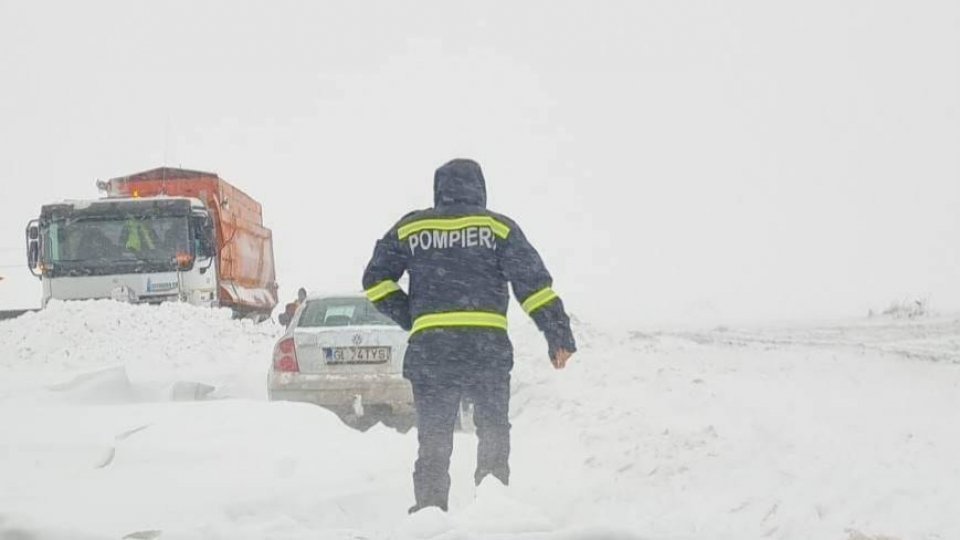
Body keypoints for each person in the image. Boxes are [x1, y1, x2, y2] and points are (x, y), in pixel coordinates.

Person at [362, 158, 576, 513]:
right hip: (486, 351)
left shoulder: (411, 228)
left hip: (432, 351)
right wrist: (559, 335)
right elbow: (533, 286)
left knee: (433, 437)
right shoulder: (498, 228)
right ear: (480, 188)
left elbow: (375, 280)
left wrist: (413, 315)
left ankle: (430, 512)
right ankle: (492, 510)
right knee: (493, 429)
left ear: (439, 189)